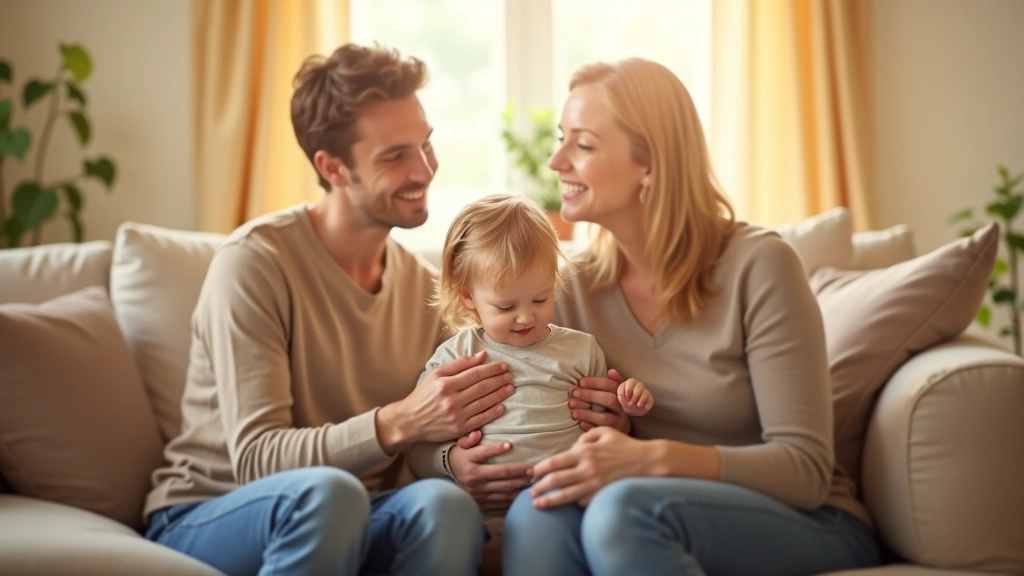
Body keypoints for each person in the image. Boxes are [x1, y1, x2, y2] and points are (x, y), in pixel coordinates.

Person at [446, 58, 883, 575]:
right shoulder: (567, 286)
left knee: (624, 509)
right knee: (541, 511)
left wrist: (647, 459)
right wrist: (453, 461)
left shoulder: (760, 265)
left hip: (804, 519)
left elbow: (804, 471)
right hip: (635, 507)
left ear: (649, 163)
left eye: (582, 144)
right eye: (562, 138)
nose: (556, 161)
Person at [142, 43, 517, 576]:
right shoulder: (254, 265)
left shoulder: (421, 286)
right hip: (210, 511)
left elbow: (442, 438)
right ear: (332, 167)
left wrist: (455, 463)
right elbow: (256, 460)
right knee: (330, 496)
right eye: (395, 156)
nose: (424, 169)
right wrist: (398, 421)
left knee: (444, 507)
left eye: (426, 145)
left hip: (356, 511)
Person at [413, 194, 653, 495]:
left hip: (564, 496)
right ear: (468, 296)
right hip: (478, 503)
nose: (526, 317)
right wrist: (450, 461)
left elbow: (605, 430)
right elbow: (417, 447)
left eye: (541, 298)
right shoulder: (454, 356)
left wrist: (627, 412)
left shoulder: (582, 350)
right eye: (505, 307)